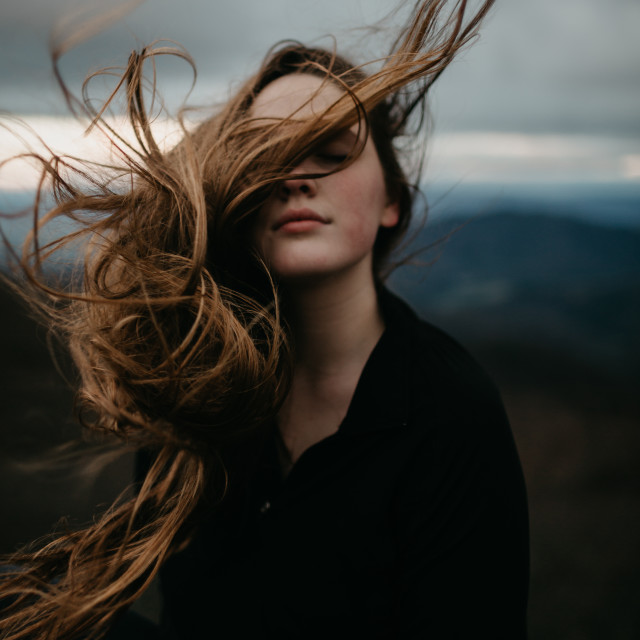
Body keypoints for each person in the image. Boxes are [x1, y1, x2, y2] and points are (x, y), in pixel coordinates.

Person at [0, 1, 528, 638]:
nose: (296, 177)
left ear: (391, 200)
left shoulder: (452, 412)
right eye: (266, 156)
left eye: (331, 149)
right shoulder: (190, 374)